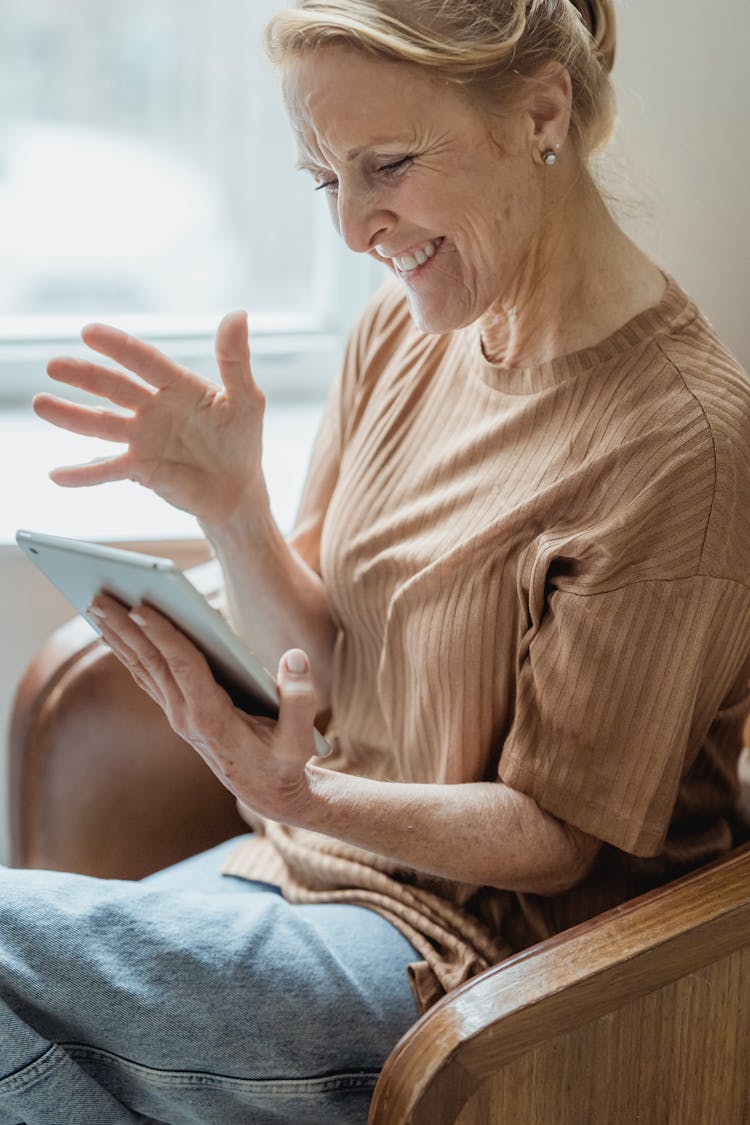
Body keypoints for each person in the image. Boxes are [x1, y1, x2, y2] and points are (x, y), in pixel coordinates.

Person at [3, 1, 750, 1122]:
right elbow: (330, 659)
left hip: (494, 983)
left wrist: (303, 790)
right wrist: (234, 509)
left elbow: (555, 841)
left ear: (543, 110)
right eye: (324, 180)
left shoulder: (679, 445)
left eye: (386, 165)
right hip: (305, 872)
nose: (354, 229)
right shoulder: (404, 330)